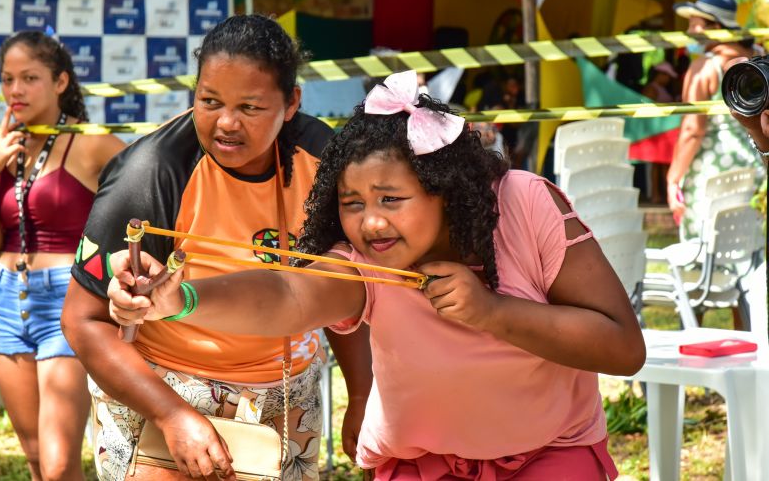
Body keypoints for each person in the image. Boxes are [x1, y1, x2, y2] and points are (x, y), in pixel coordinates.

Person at [107, 69, 645, 480]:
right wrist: (181, 300)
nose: (370, 222)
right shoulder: (364, 258)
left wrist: (493, 312)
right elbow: (287, 293)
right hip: (415, 465)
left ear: (444, 189)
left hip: (551, 458)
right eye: (352, 203)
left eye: (392, 198)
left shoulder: (525, 203)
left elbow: (623, 348)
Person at [61, 14, 372, 481]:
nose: (225, 123)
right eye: (209, 101)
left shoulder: (323, 160)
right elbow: (83, 320)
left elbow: (340, 288)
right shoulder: (150, 172)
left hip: (288, 393)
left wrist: (363, 393)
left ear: (291, 103)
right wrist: (171, 415)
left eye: (250, 107)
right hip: (164, 389)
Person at [0, 31, 125, 480]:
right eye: (7, 79)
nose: (15, 90)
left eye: (29, 78)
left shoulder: (92, 142)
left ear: (60, 82)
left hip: (66, 299)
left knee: (58, 466)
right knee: (36, 459)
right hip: (4, 298)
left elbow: (150, 191)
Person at [667, 0, 765, 238]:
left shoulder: (703, 67)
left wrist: (673, 178)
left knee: (706, 252)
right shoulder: (759, 58)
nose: (690, 32)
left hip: (712, 177)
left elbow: (693, 130)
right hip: (755, 168)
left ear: (716, 26)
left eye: (694, 24)